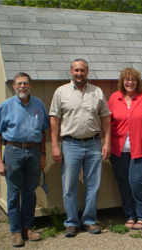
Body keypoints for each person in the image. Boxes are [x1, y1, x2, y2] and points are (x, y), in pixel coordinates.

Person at [49, 59, 111, 236]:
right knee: (69, 186)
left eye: (82, 70)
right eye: (76, 70)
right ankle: (71, 223)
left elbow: (106, 117)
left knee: (93, 184)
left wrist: (107, 142)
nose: (79, 73)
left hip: (93, 144)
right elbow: (54, 119)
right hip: (70, 144)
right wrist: (54, 145)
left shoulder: (97, 92)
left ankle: (89, 221)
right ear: (71, 72)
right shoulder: (61, 92)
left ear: (87, 72)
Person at [0, 72, 50, 247]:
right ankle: (15, 231)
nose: (22, 86)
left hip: (33, 152)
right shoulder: (6, 106)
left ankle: (27, 228)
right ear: (14, 86)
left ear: (30, 85)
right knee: (13, 193)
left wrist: (43, 154)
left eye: (25, 83)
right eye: (18, 84)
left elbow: (43, 131)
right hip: (13, 151)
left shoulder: (38, 104)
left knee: (30, 192)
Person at [108, 68, 142, 230]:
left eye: (133, 79)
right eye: (126, 79)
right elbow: (108, 122)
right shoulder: (114, 99)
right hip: (119, 150)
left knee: (138, 182)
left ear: (138, 82)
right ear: (122, 82)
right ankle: (130, 215)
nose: (130, 82)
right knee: (124, 183)